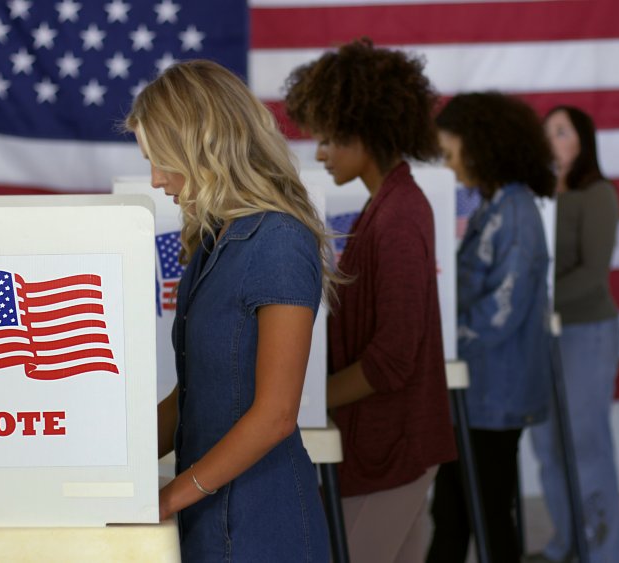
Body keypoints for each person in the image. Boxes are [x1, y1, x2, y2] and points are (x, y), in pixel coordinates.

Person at [125, 59, 334, 562]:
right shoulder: (214, 241)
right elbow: (189, 397)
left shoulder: (279, 240)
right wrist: (110, 468)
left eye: (161, 159)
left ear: (202, 147)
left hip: (263, 523)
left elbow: (276, 415)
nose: (154, 179)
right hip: (207, 514)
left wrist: (170, 497)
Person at [284, 38, 458, 562]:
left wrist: (302, 403)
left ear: (365, 130)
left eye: (329, 138)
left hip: (394, 444)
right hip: (393, 443)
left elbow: (394, 357)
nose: (318, 152)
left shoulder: (399, 216)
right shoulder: (388, 207)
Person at [426, 92, 556, 563]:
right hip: (478, 392)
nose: (450, 166)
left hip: (494, 394)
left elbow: (502, 311)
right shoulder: (495, 206)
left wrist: (437, 340)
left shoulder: (516, 213)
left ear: (482, 147)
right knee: (456, 511)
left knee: (485, 515)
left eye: (451, 154)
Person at [525, 106, 619, 563]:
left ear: (582, 141)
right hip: (540, 336)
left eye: (561, 132)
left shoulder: (597, 194)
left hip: (586, 332)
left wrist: (538, 301)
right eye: (547, 132)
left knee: (586, 442)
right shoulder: (534, 196)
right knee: (547, 446)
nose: (552, 140)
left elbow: (593, 272)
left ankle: (602, 553)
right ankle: (568, 543)